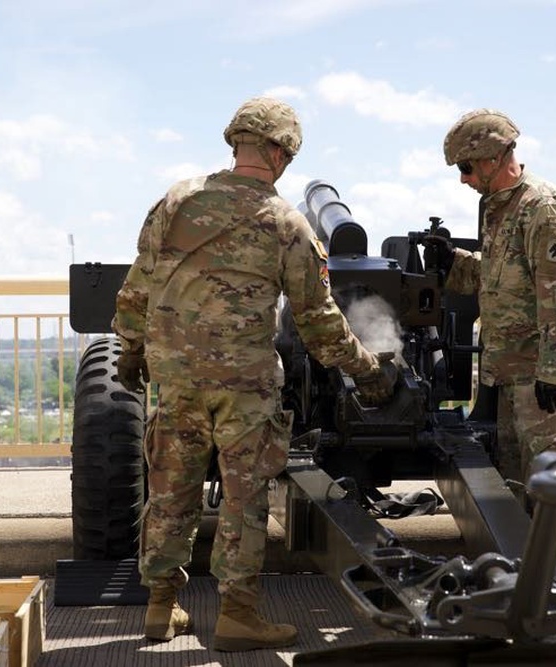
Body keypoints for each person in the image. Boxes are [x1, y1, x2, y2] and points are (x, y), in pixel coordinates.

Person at [111, 96, 397, 651]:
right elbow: (317, 323)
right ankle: (238, 616)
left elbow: (137, 288)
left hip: (175, 378)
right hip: (244, 385)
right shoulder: (286, 223)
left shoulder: (176, 201)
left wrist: (130, 351)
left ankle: (159, 607)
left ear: (237, 141)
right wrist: (367, 372)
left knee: (170, 490)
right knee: (244, 498)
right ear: (278, 151)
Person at [424, 108, 556, 586]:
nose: (464, 181)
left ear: (492, 158)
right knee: (520, 496)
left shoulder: (543, 210)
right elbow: (501, 278)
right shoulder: (503, 208)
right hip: (515, 376)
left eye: (466, 169)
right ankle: (535, 593)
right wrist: (454, 262)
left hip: (547, 383)